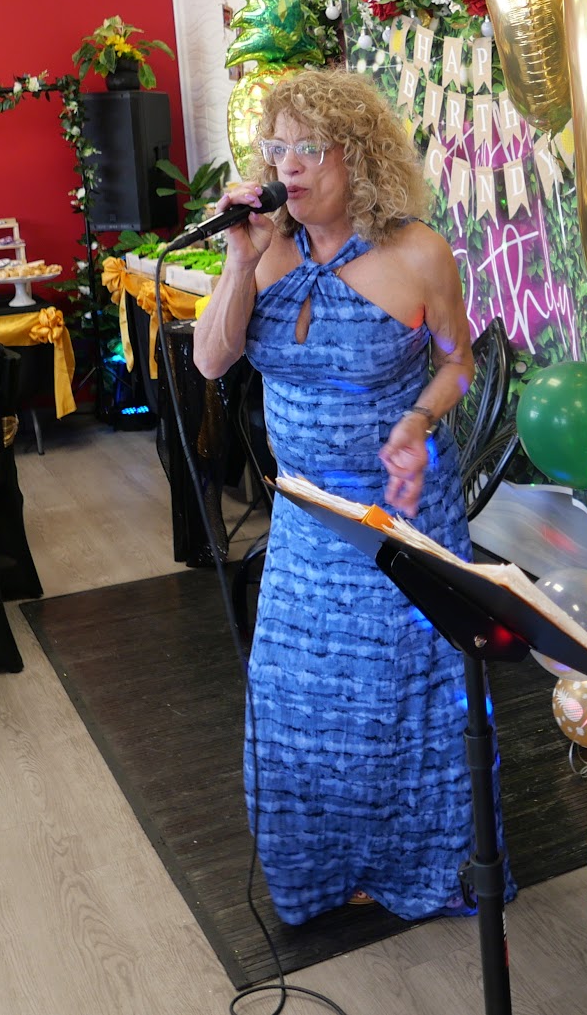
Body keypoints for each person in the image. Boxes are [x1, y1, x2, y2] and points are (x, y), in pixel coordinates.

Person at [192, 67, 500, 925]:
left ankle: (416, 866)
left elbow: (457, 363)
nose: (287, 165)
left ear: (357, 157)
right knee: (298, 702)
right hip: (304, 519)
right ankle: (320, 873)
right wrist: (238, 257)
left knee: (397, 706)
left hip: (397, 518)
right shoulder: (265, 249)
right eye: (276, 147)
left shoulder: (417, 253)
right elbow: (212, 359)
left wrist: (418, 420)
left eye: (309, 148)